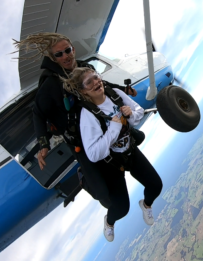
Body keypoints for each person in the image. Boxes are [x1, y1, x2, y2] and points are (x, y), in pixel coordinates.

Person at [13, 33, 137, 206]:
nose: (65, 56)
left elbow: (104, 86)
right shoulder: (50, 84)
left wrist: (123, 89)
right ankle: (84, 179)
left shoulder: (84, 68)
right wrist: (44, 144)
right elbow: (38, 113)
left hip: (101, 126)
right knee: (102, 192)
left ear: (73, 49)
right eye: (59, 54)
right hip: (78, 139)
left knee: (132, 141)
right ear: (53, 58)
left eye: (67, 50)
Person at [61, 67, 163, 242]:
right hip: (111, 163)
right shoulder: (87, 115)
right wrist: (113, 130)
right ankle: (109, 222)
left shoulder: (114, 94)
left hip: (129, 151)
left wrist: (131, 115)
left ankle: (146, 204)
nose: (96, 82)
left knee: (155, 185)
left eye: (96, 77)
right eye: (89, 82)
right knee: (122, 209)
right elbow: (93, 154)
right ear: (83, 91)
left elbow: (138, 112)